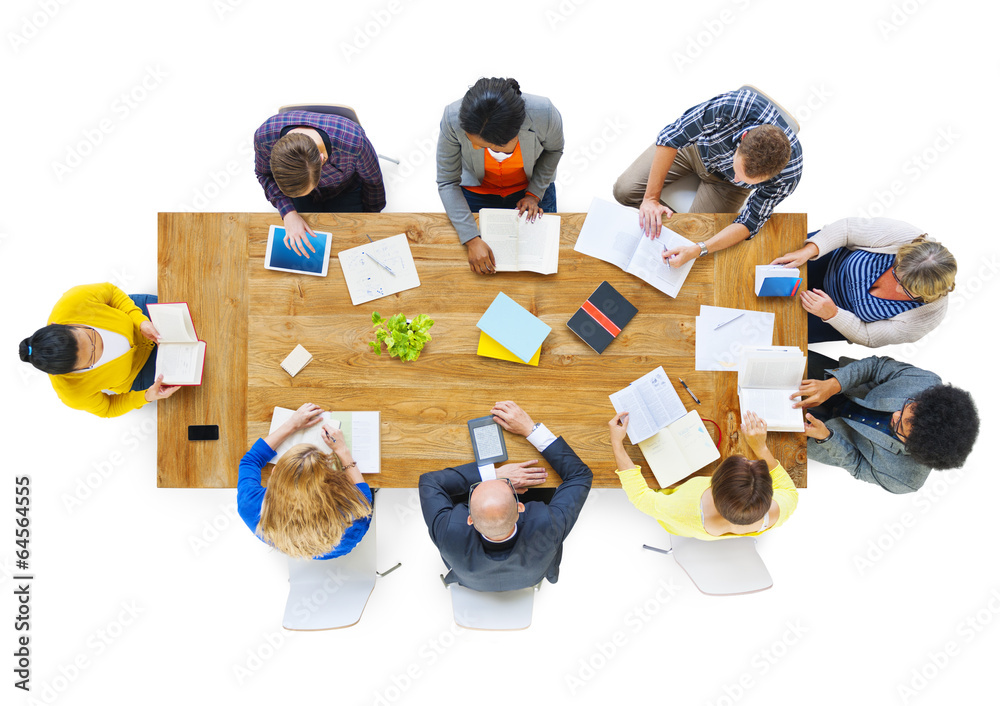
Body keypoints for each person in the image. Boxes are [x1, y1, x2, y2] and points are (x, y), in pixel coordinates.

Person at [613, 87, 802, 268]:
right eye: (738, 171)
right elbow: (670, 137)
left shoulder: (788, 175)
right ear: (743, 137)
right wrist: (651, 199)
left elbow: (750, 222)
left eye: (746, 181)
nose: (737, 179)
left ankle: (682, 230)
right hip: (695, 148)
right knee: (623, 191)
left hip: (724, 187)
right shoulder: (733, 106)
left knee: (691, 238)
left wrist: (698, 249)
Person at [418, 401, 591, 591]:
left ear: (469, 519)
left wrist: (493, 474)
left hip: (473, 578)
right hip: (529, 574)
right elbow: (580, 475)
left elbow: (430, 482)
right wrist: (530, 430)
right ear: (520, 506)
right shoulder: (548, 524)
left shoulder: (449, 532)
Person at [795, 352, 979, 494]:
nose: (896, 414)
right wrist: (834, 385)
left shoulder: (904, 479)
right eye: (910, 405)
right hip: (836, 381)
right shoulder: (925, 382)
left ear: (912, 445)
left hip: (821, 434)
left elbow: (858, 466)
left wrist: (827, 438)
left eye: (901, 425)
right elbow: (877, 366)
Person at [436, 78, 564, 275]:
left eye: (488, 146)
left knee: (542, 263)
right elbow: (447, 181)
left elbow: (554, 150)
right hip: (476, 191)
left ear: (516, 133)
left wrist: (534, 194)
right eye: (474, 142)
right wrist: (471, 239)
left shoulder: (545, 113)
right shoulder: (452, 118)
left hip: (530, 186)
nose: (476, 148)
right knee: (475, 268)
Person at [610, 411, 798, 540]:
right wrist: (760, 448)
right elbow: (788, 488)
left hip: (680, 518)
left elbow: (640, 497)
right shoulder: (778, 511)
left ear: (714, 480)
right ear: (767, 494)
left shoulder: (678, 510)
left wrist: (617, 443)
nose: (749, 459)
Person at [770, 217, 955, 346]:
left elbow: (868, 337)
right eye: (898, 274)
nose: (897, 287)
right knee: (758, 270)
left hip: (838, 314)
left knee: (773, 332)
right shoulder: (905, 236)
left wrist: (832, 314)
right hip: (827, 259)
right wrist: (809, 251)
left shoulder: (926, 317)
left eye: (908, 291)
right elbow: (846, 230)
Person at [19, 283, 180, 417]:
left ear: (58, 325)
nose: (101, 348)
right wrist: (146, 396)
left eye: (91, 337)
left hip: (135, 315)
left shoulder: (71, 303)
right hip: (141, 372)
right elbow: (108, 408)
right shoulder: (72, 393)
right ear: (60, 374)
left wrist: (140, 321)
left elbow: (111, 293)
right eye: (91, 359)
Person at [237, 403, 373, 559]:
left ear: (274, 473)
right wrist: (342, 451)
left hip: (291, 545)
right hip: (336, 547)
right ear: (328, 481)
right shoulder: (354, 515)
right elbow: (364, 496)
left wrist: (291, 425)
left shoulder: (251, 506)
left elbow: (250, 461)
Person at [254, 110, 386, 259]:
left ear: (322, 160)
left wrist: (372, 221)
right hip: (299, 198)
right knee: (300, 254)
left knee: (351, 249)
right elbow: (263, 174)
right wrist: (288, 212)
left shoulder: (354, 143)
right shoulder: (264, 138)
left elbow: (373, 183)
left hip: (345, 189)